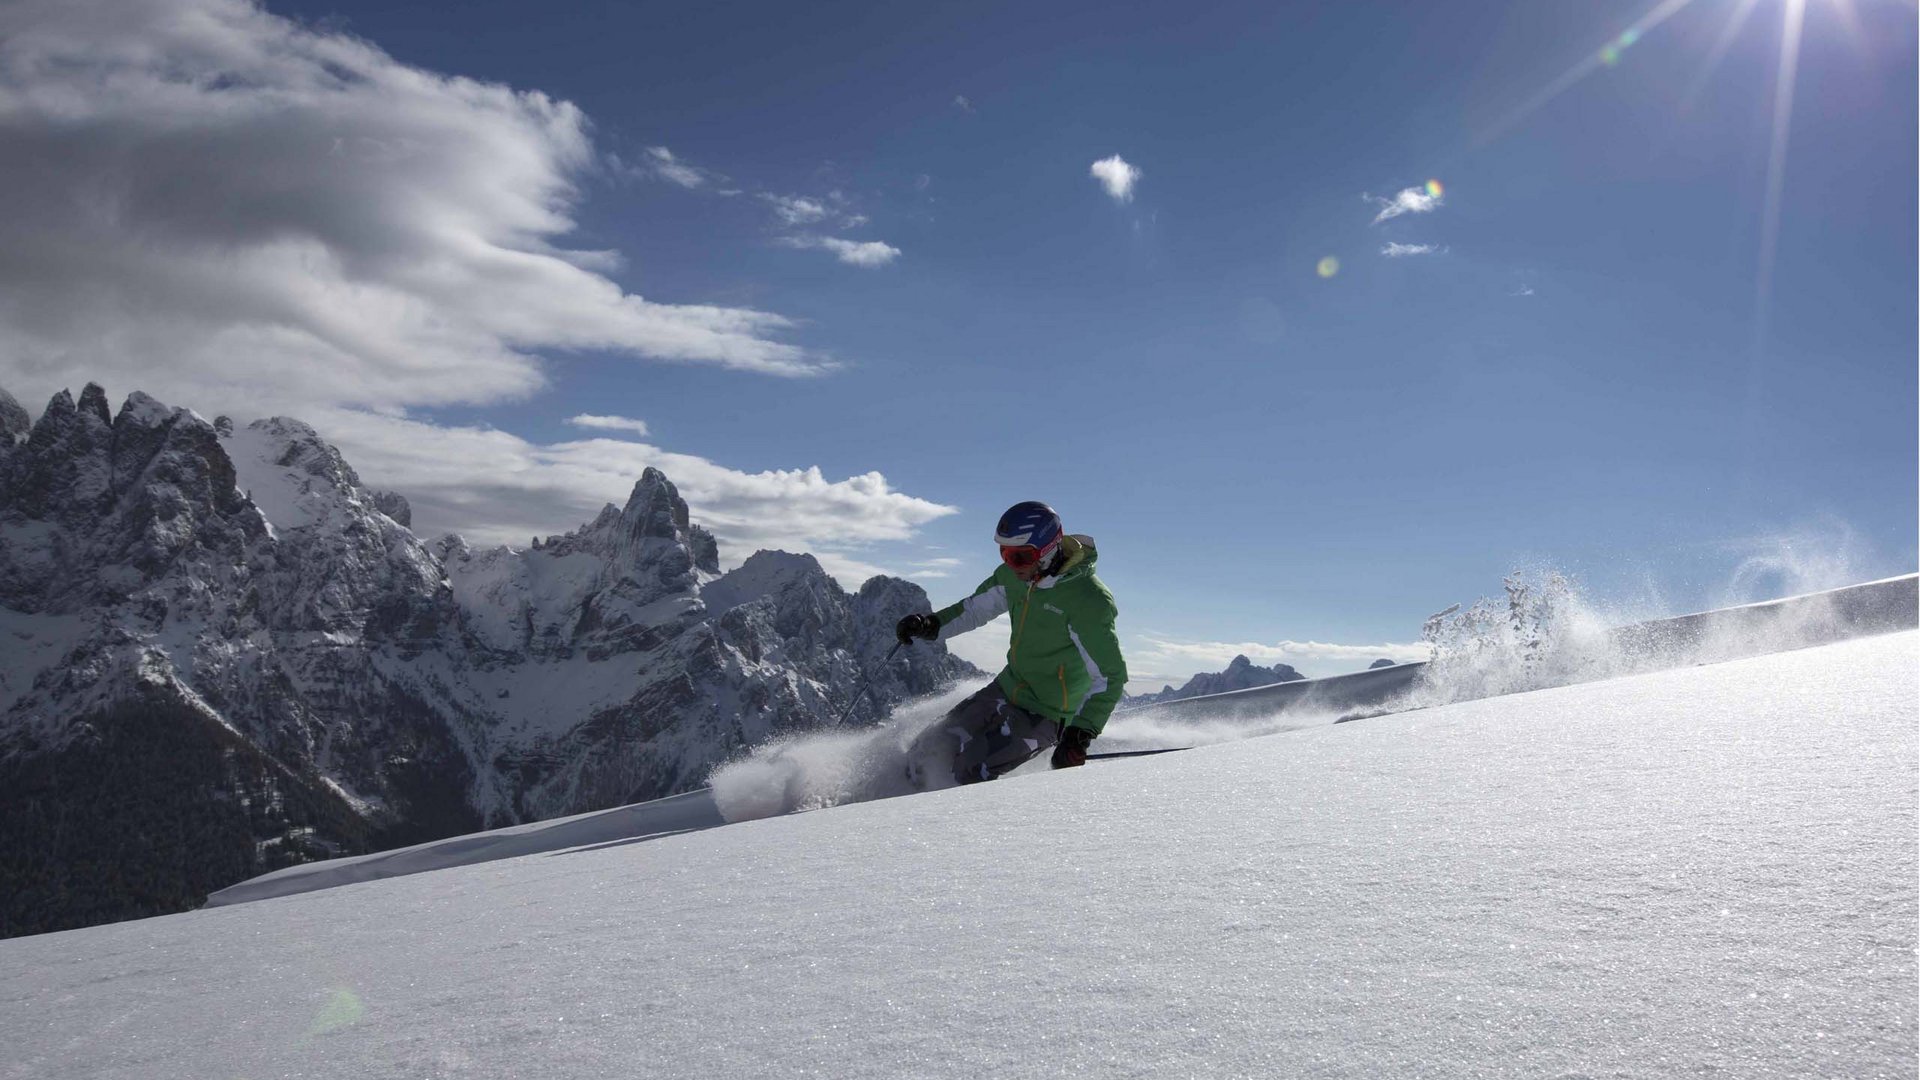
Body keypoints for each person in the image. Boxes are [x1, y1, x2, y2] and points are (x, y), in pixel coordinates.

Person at [896, 501, 1128, 784]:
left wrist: (1079, 735)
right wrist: (931, 625)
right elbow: (974, 609)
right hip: (1006, 688)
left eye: (1020, 556)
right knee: (926, 750)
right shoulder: (1015, 575)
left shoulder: (1087, 600)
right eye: (1004, 553)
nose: (1010, 563)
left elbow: (1110, 677)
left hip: (1049, 713)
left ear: (1048, 550)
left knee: (968, 773)